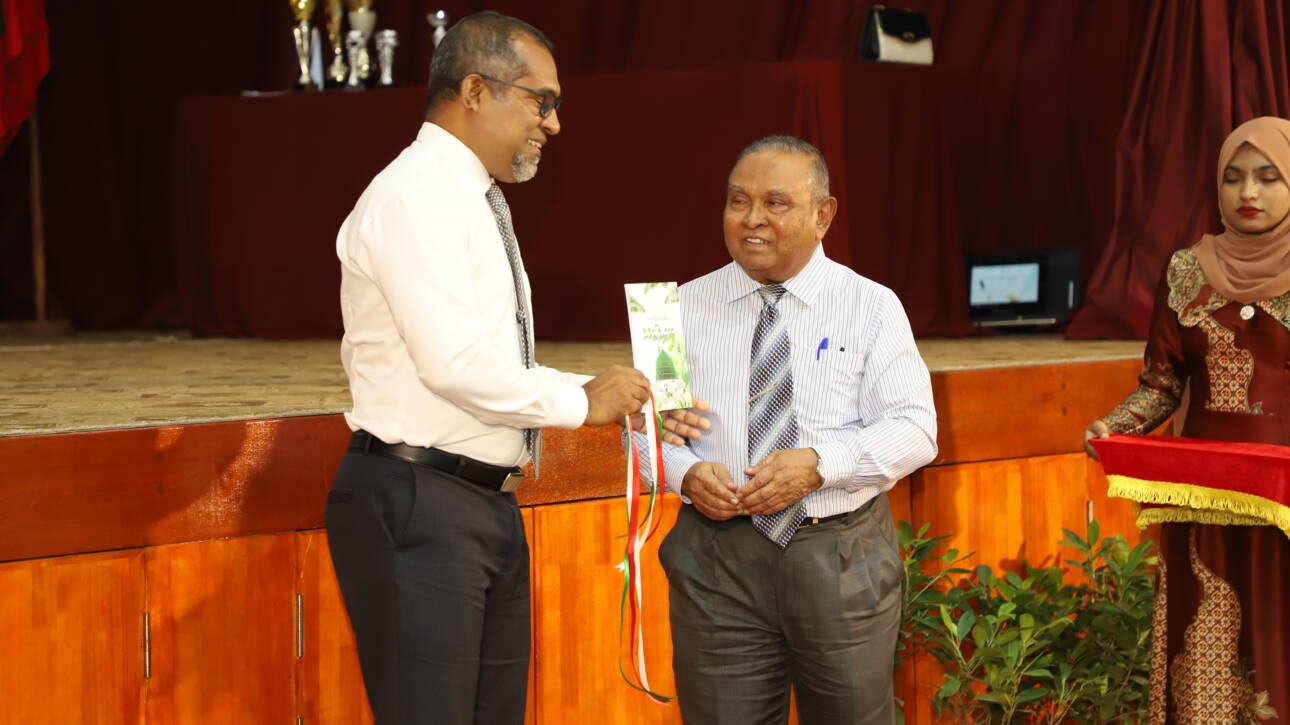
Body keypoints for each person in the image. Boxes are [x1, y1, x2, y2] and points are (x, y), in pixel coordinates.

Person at [324, 12, 652, 725]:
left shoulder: (466, 196)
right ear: (475, 90)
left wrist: (601, 390)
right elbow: (456, 366)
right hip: (422, 499)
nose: (553, 123)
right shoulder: (417, 196)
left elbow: (495, 361)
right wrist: (583, 403)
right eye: (542, 100)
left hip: (477, 502)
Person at [654, 135, 938, 725]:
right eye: (738, 201)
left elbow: (915, 428)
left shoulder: (871, 306)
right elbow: (646, 431)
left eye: (775, 203)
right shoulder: (670, 310)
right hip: (715, 559)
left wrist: (820, 464)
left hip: (838, 555)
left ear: (822, 215)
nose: (752, 219)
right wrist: (685, 473)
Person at [1085, 116, 1290, 722]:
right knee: (1204, 658)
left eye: (1268, 177)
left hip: (1286, 507)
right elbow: (1162, 383)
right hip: (1204, 505)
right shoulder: (1186, 269)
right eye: (1233, 177)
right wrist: (1115, 427)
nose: (1248, 192)